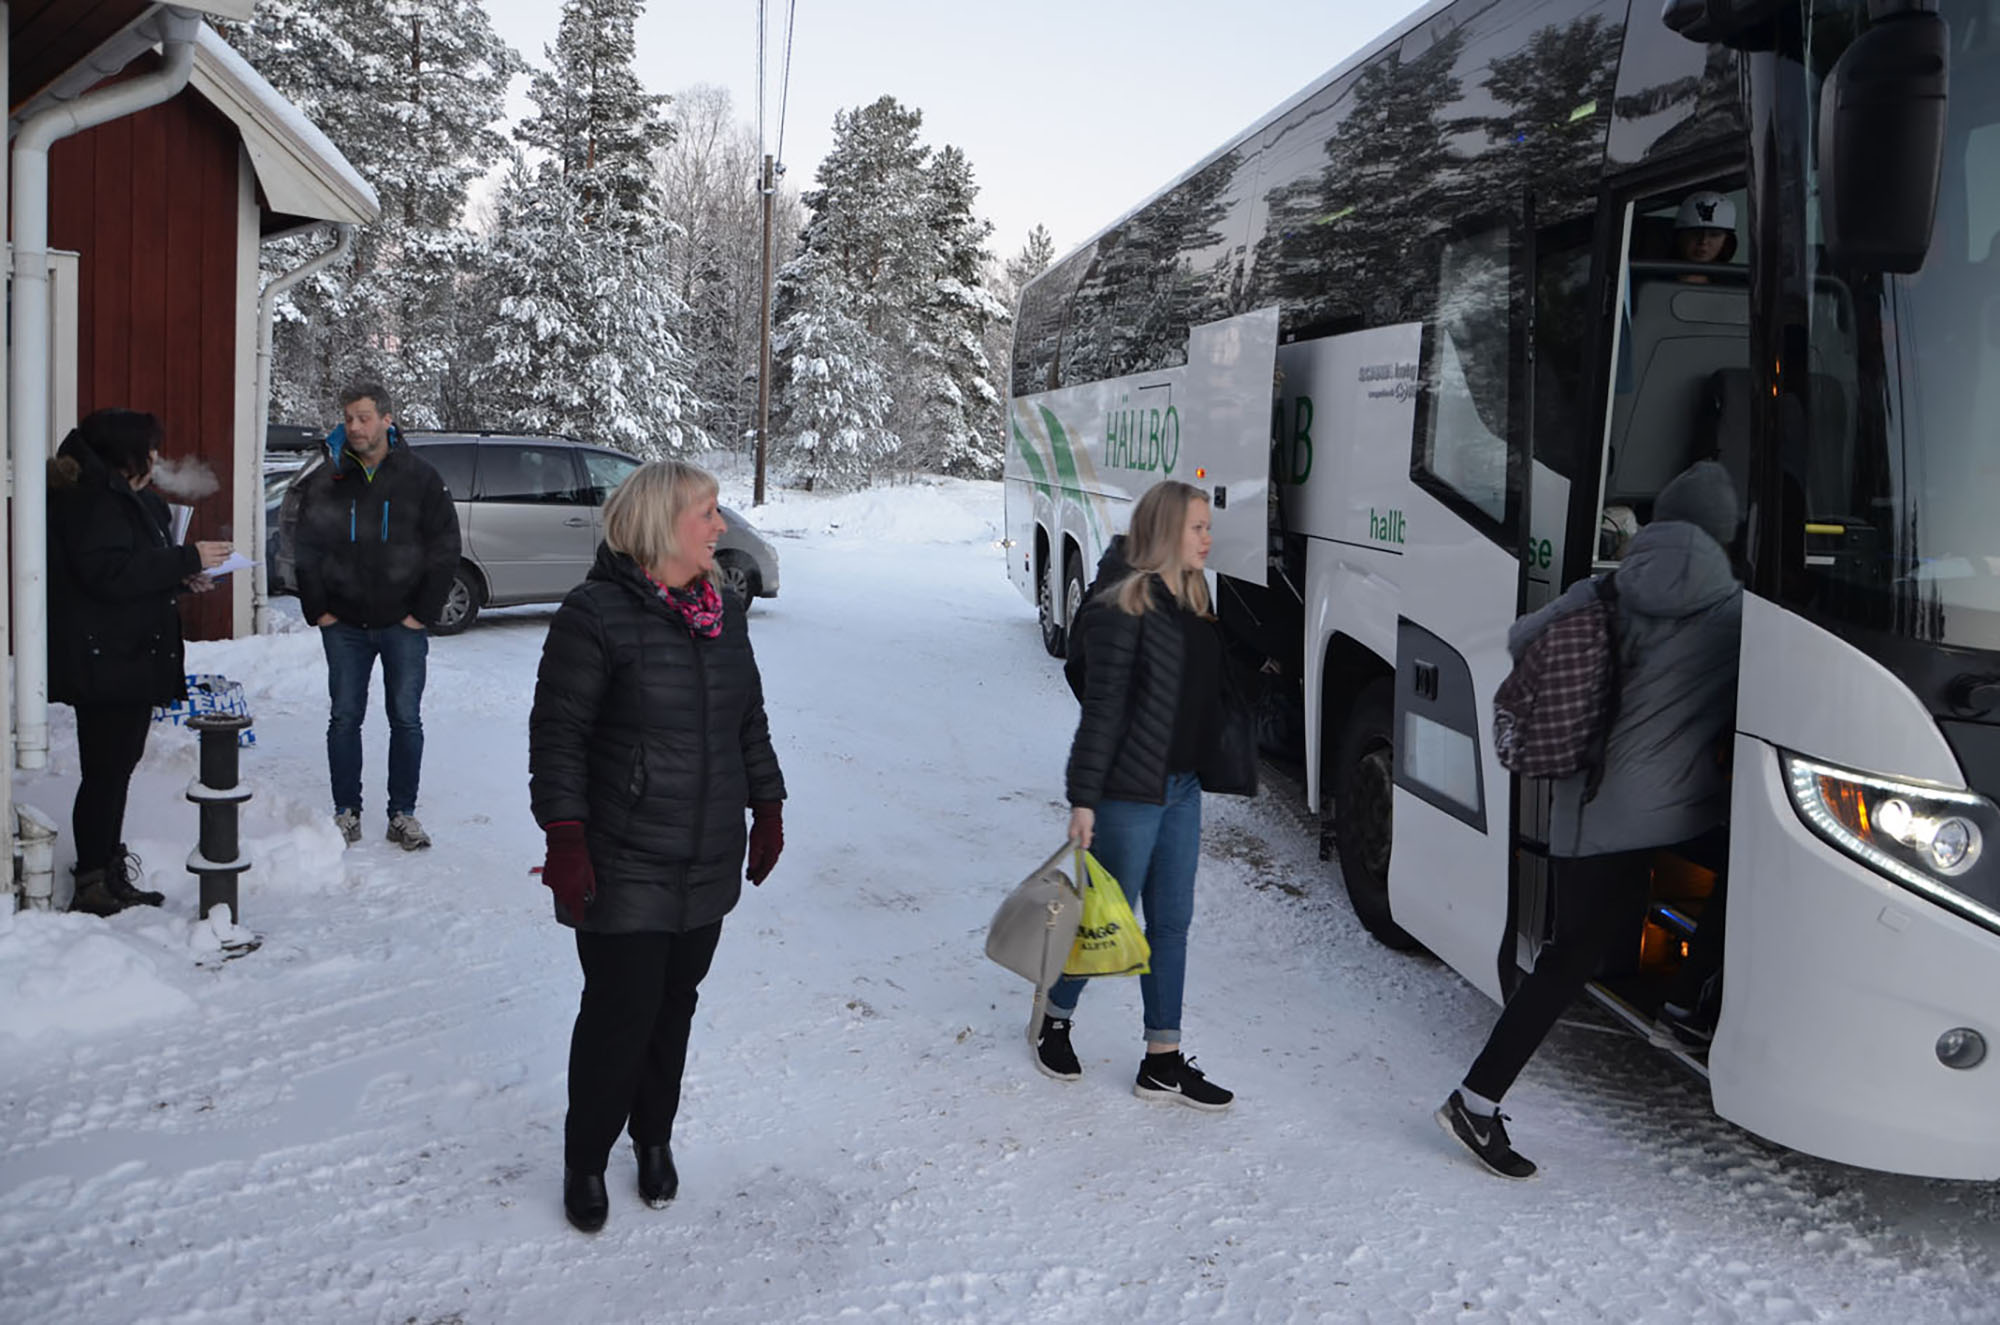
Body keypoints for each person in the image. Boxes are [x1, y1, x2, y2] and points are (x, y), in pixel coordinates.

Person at [1437, 460, 1743, 1179]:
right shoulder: (1734, 613)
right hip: (1669, 812)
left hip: (1586, 803)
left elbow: (1521, 641)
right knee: (1742, 871)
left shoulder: (1604, 588)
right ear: (1725, 534)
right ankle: (1478, 1097)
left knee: (1572, 952)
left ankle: (1484, 1098)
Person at [528, 459, 786, 1235]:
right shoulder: (596, 614)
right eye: (706, 512)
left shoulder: (723, 611)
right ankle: (585, 1155)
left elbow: (749, 719)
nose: (719, 525)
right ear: (660, 525)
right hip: (624, 853)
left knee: (675, 1005)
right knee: (619, 1012)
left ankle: (652, 1135)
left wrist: (767, 803)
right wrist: (566, 837)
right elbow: (558, 736)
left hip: (705, 850)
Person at [1041, 479, 1252, 1112]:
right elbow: (1101, 711)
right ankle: (1055, 1016)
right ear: (1163, 532)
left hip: (1183, 788)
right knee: (1109, 916)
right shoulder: (1120, 608)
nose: (1208, 539)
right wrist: (1083, 799)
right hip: (1130, 792)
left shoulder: (1194, 599)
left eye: (1208, 527)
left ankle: (1162, 1060)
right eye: (1197, 528)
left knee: (1172, 924)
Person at [47, 409, 231, 915]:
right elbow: (108, 574)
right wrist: (188, 559)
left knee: (116, 769)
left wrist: (178, 578)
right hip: (105, 659)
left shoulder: (117, 496)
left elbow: (130, 572)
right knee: (105, 772)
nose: (155, 457)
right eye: (149, 448)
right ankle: (92, 881)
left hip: (123, 655)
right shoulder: (92, 500)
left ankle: (106, 869)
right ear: (124, 450)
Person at [292, 383, 461, 850]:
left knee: (405, 719)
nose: (355, 427)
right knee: (344, 718)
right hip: (343, 625)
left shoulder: (420, 478)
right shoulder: (330, 479)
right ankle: (346, 811)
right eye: (349, 418)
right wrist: (318, 609)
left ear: (388, 419)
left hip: (401, 624)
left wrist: (421, 613)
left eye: (364, 417)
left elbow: (445, 549)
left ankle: (402, 814)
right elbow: (305, 548)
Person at [1674, 190, 1738, 280]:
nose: (1703, 241)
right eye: (1695, 233)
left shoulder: (1738, 283)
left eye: (1714, 234)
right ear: (1680, 236)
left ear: (1726, 240)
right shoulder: (1653, 278)